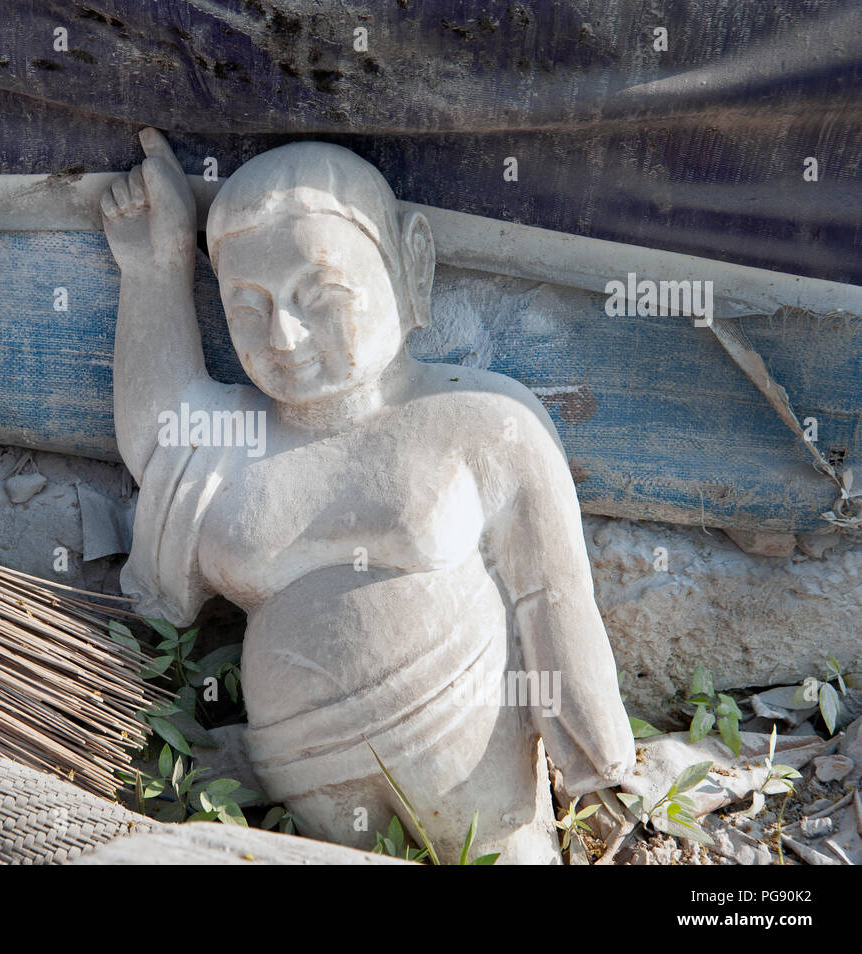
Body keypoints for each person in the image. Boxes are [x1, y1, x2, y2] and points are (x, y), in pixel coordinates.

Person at [103, 128, 633, 863]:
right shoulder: (233, 437)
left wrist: (599, 754)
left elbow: (553, 594)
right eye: (248, 308)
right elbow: (159, 440)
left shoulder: (482, 424)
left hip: (469, 759)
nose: (284, 336)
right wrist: (154, 267)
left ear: (410, 267)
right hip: (306, 782)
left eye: (319, 295)